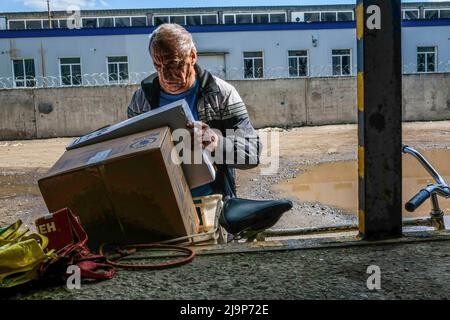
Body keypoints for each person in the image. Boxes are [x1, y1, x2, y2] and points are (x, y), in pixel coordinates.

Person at [127, 24, 291, 238]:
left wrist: (216, 142)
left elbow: (252, 154)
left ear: (192, 56)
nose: (165, 74)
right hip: (164, 211)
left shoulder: (222, 95)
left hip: (213, 210)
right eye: (157, 65)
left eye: (173, 64)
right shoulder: (141, 101)